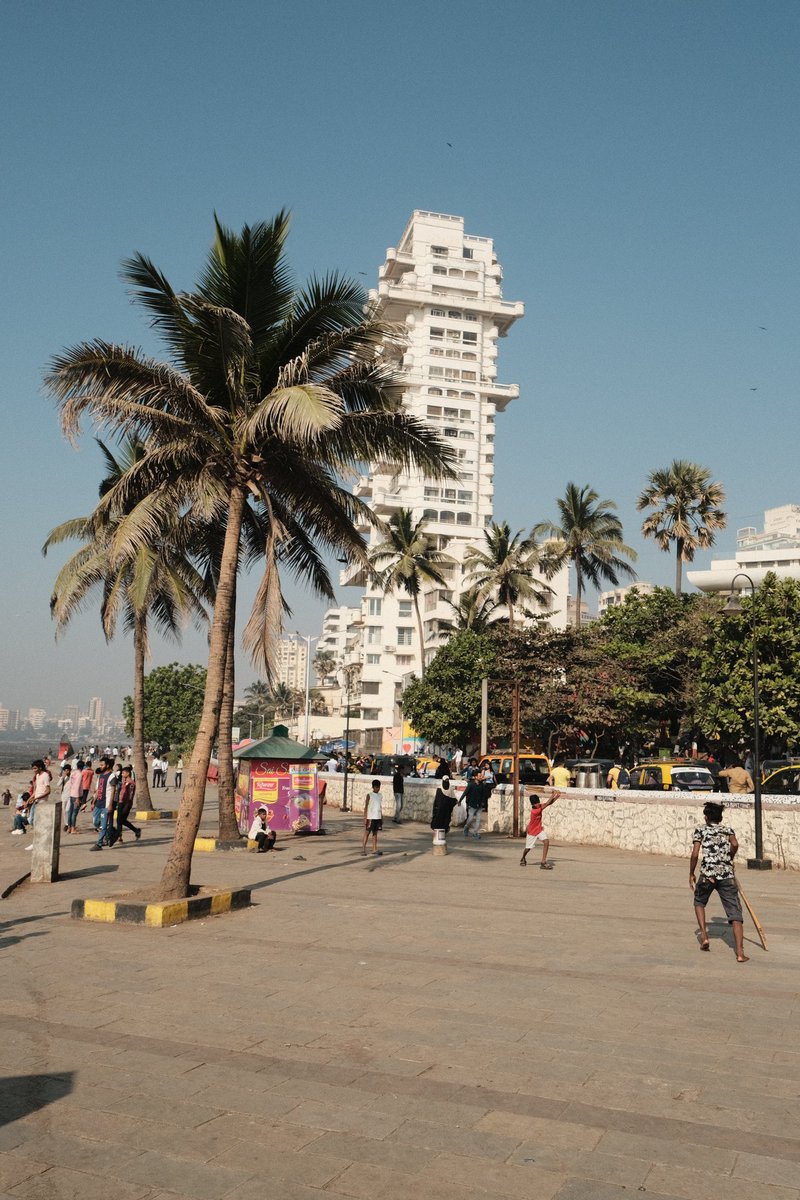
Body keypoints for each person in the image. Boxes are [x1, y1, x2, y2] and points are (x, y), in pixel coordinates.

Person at [690, 801, 748, 962]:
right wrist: (729, 857)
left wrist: (691, 873)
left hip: (708, 874)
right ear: (720, 817)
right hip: (726, 875)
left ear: (706, 817)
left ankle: (704, 936)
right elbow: (735, 844)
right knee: (735, 914)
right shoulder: (727, 830)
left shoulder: (700, 830)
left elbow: (695, 854)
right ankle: (740, 953)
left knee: (699, 902)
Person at [520, 787, 562, 869]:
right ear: (533, 804)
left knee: (546, 842)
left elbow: (549, 803)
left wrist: (557, 796)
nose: (538, 804)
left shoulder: (539, 807)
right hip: (532, 831)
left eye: (538, 802)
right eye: (536, 803)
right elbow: (546, 804)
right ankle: (523, 858)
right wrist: (553, 794)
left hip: (539, 829)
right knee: (528, 848)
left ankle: (543, 862)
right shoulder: (535, 811)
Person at [90, 758, 113, 851]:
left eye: (102, 765)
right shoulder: (100, 776)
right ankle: (108, 832)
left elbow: (113, 791)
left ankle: (99, 844)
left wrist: (110, 804)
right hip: (98, 803)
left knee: (103, 825)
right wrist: (93, 802)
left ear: (107, 765)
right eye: (100, 765)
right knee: (95, 822)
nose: (100, 766)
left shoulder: (112, 776)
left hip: (105, 805)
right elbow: (98, 790)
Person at [114, 766, 142, 844]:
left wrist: (127, 806)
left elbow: (130, 796)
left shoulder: (131, 783)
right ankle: (123, 836)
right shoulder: (124, 781)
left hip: (126, 804)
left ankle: (119, 836)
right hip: (120, 803)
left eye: (123, 773)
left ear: (128, 773)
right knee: (120, 820)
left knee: (121, 820)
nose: (122, 774)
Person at [362, 779, 384, 856]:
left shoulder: (380, 795)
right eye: (376, 787)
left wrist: (382, 817)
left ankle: (374, 849)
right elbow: (366, 806)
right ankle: (363, 849)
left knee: (375, 834)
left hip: (377, 817)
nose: (378, 789)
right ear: (373, 787)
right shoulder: (369, 795)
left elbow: (380, 807)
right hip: (370, 817)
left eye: (379, 787)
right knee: (367, 833)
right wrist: (365, 817)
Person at [463, 768, 485, 839]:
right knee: (470, 819)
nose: (481, 777)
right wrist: (460, 801)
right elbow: (465, 793)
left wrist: (483, 803)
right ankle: (466, 827)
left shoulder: (482, 785)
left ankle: (475, 833)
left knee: (478, 820)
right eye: (479, 776)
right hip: (472, 805)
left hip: (479, 805)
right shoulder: (471, 785)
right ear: (475, 777)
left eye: (481, 776)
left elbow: (483, 795)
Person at [65, 759, 84, 834]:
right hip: (76, 795)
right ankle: (73, 829)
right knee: (74, 813)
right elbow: (77, 786)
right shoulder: (79, 774)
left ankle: (69, 828)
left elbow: (71, 784)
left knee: (70, 812)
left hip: (72, 794)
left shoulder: (73, 773)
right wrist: (77, 798)